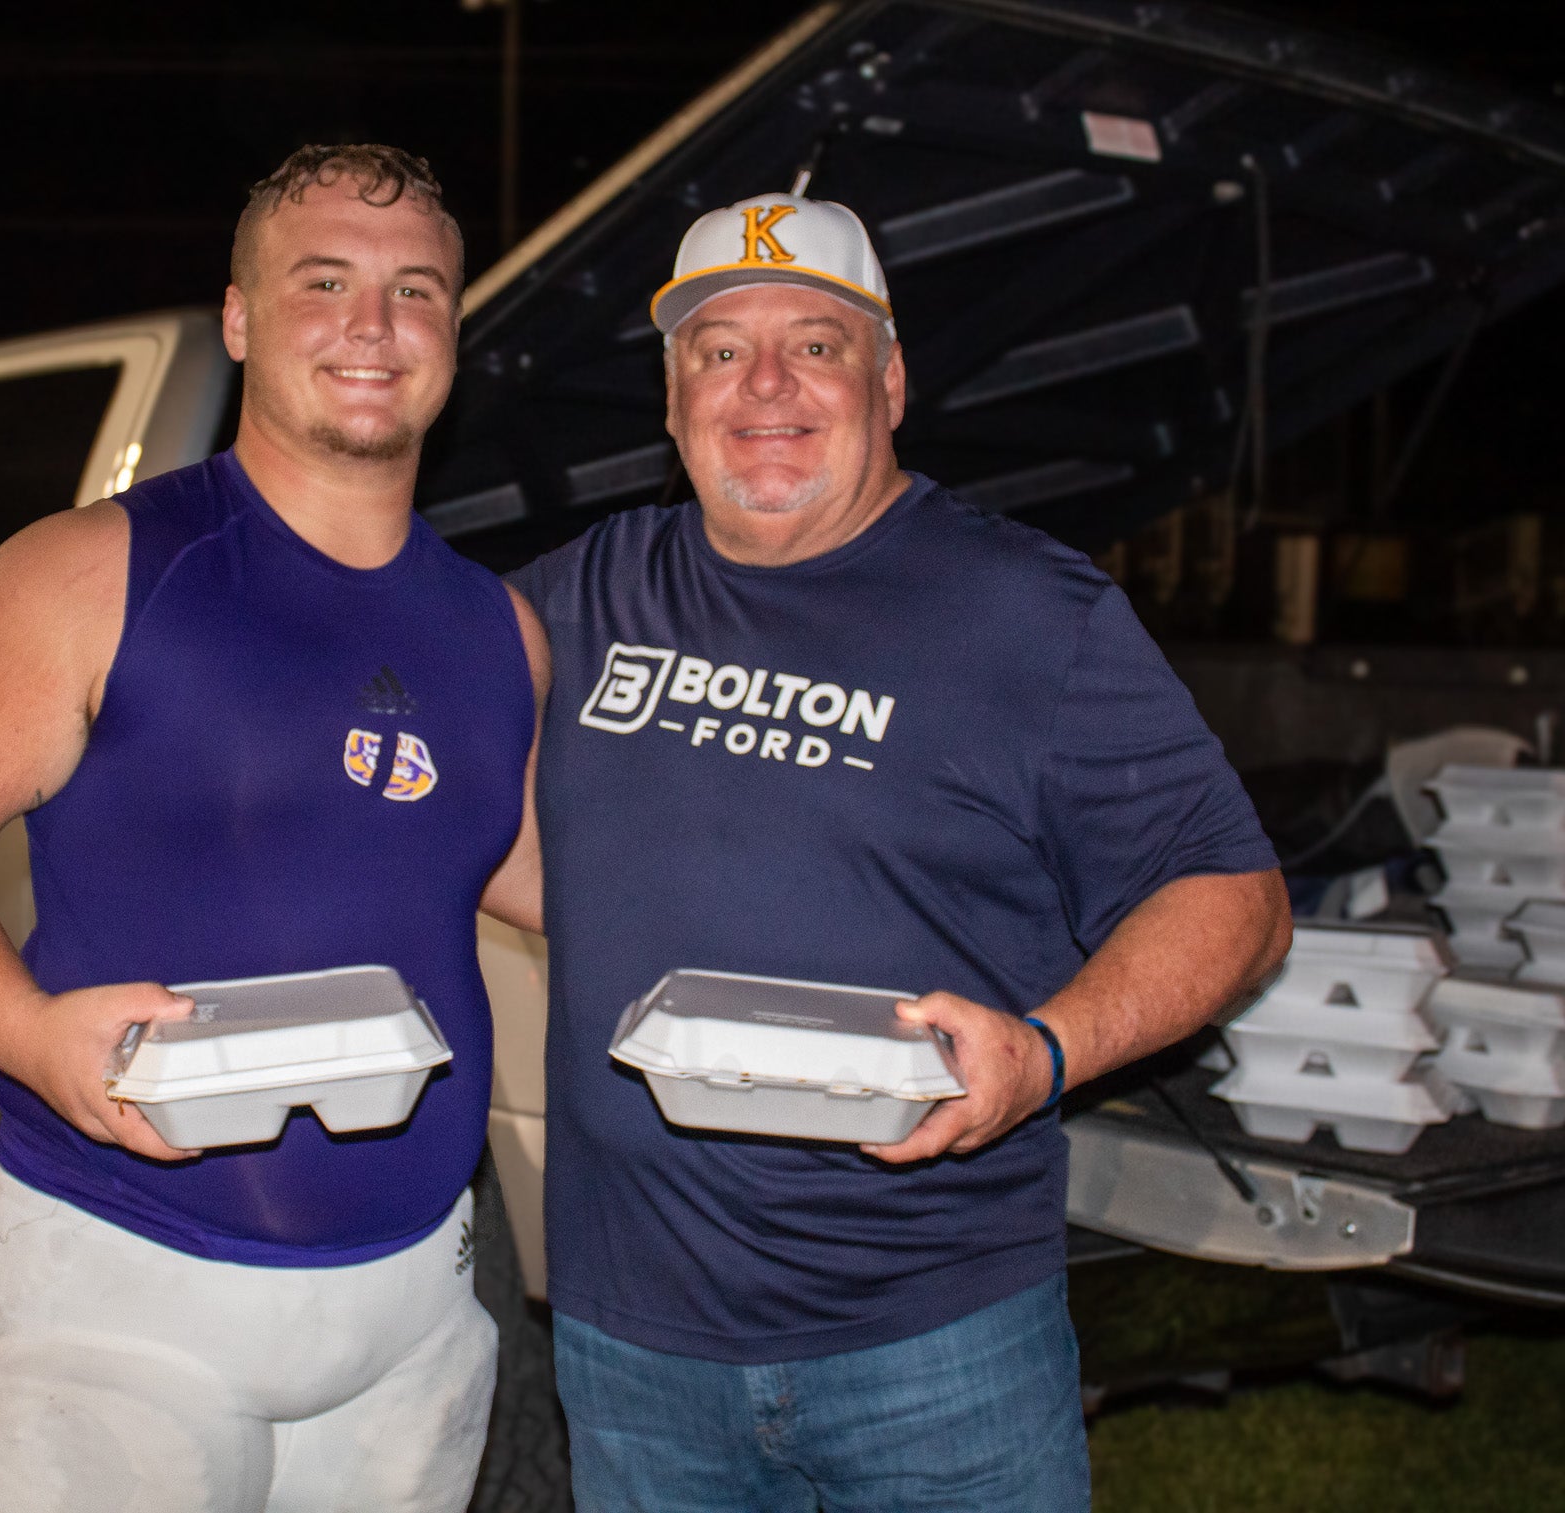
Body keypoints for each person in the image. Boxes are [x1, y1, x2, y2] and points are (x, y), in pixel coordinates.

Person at [509, 191, 1291, 1511]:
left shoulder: (1027, 611)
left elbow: (1237, 897)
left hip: (937, 1341)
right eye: (717, 348)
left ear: (891, 378)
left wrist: (1042, 1051)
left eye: (814, 343)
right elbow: (406, 760)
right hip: (633, 1339)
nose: (763, 383)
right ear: (671, 395)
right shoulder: (585, 593)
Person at [0, 144, 547, 1513]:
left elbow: (523, 864)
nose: (373, 326)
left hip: (410, 1313)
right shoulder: (95, 571)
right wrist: (31, 1033)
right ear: (238, 317)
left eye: (417, 291)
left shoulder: (498, 630)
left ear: (456, 327)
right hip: (121, 1289)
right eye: (321, 282)